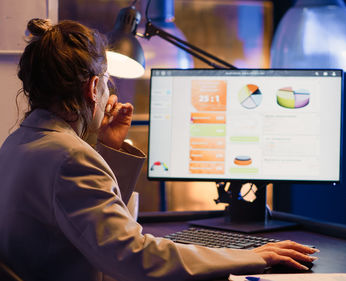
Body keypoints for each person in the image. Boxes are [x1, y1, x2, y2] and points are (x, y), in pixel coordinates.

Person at [0, 19, 318, 281]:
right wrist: (244, 257)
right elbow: (138, 258)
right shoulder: (69, 158)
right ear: (92, 88)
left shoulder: (18, 143)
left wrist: (107, 147)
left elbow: (93, 223)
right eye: (107, 82)